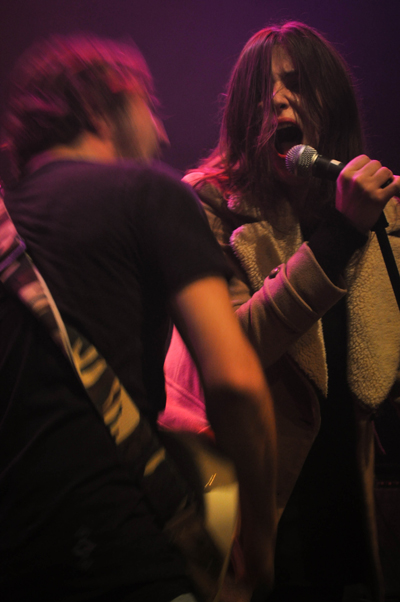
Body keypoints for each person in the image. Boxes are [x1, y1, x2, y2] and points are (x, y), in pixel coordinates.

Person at [0, 35, 277, 602]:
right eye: (149, 106)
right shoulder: (148, 193)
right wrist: (261, 540)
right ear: (104, 108)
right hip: (120, 547)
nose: (163, 132)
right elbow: (237, 384)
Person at [161, 21, 400, 602]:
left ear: (331, 105)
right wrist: (339, 236)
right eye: (260, 90)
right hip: (265, 515)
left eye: (296, 84)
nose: (276, 100)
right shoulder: (208, 207)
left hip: (354, 509)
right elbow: (235, 346)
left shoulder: (381, 215)